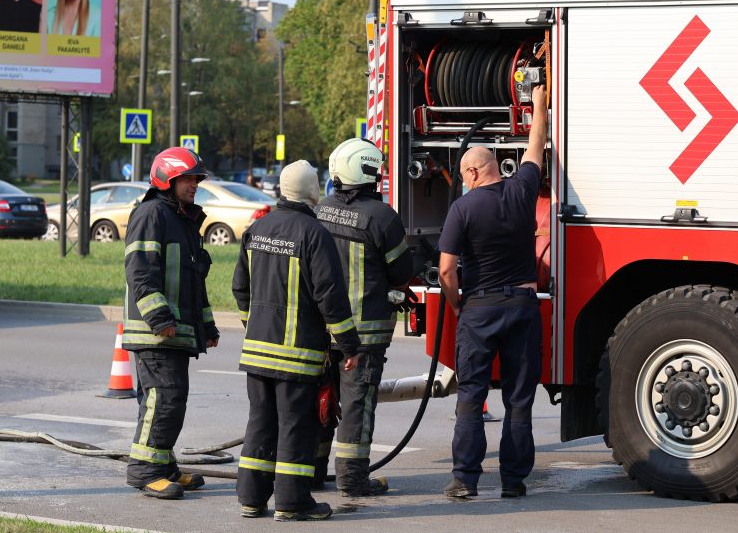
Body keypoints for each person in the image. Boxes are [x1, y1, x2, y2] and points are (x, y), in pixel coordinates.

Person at [233, 159, 361, 521]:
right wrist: (349, 345)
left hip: (257, 352)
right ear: (311, 190)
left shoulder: (257, 229)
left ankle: (251, 499)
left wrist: (254, 325)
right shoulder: (313, 234)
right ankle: (292, 502)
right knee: (295, 425)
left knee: (260, 421)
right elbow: (330, 297)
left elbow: (240, 288)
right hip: (297, 355)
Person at [438, 84, 548, 500]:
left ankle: (465, 480)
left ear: (470, 173)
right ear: (495, 168)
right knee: (520, 400)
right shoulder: (521, 192)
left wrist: (458, 306)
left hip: (479, 308)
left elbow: (448, 270)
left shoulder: (462, 209)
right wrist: (538, 105)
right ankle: (514, 482)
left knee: (471, 396)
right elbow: (534, 148)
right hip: (522, 306)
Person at [312, 138, 413, 496]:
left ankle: (311, 471)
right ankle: (352, 480)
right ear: (369, 172)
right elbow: (402, 272)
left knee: (320, 400)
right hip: (364, 335)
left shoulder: (321, 209)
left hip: (321, 331)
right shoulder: (382, 217)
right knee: (357, 406)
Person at [122, 147, 220, 499]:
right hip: (156, 332)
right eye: (189, 179)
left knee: (171, 400)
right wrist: (159, 318)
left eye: (196, 179)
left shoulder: (182, 219)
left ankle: (164, 467)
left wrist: (206, 326)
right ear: (168, 178)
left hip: (176, 330)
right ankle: (145, 472)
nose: (195, 185)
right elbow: (140, 271)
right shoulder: (151, 214)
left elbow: (195, 281)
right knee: (162, 400)